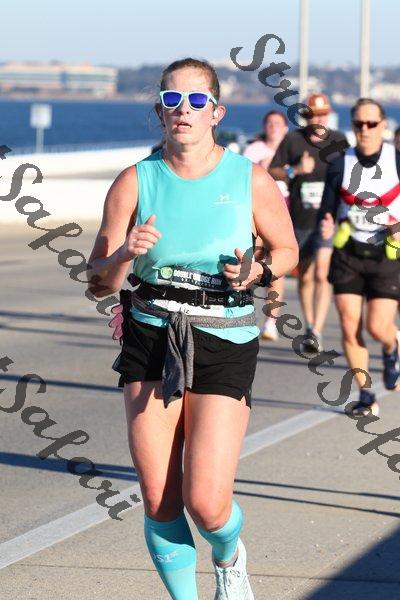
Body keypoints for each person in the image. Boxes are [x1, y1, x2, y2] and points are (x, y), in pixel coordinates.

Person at [87, 57, 298, 600]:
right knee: (160, 499)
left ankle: (229, 556)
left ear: (216, 112)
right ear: (160, 111)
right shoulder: (135, 180)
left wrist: (257, 271)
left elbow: (287, 250)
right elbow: (98, 282)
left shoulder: (248, 178)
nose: (184, 110)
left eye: (197, 100)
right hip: (151, 333)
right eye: (172, 100)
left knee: (206, 503)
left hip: (224, 335)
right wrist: (123, 255)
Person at [318, 97, 400, 417]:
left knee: (378, 327)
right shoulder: (340, 163)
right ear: (352, 125)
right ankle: (366, 396)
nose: (364, 129)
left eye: (371, 123)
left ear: (383, 125)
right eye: (358, 124)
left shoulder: (396, 160)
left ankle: (392, 346)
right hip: (348, 253)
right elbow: (327, 208)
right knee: (349, 326)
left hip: (386, 256)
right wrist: (326, 221)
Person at [269, 94, 348, 352]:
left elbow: (352, 174)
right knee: (305, 276)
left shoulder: (339, 141)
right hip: (301, 219)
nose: (320, 119)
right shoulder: (293, 140)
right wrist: (295, 170)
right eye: (315, 114)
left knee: (322, 273)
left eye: (324, 114)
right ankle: (310, 324)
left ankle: (316, 330)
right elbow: (272, 170)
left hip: (328, 219)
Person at [244, 111, 289, 341]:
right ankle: (245, 313)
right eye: (269, 123)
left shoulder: (291, 149)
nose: (273, 127)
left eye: (278, 123)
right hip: (256, 214)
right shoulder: (254, 149)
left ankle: (271, 322)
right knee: (252, 264)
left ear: (286, 128)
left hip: (286, 214)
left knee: (276, 268)